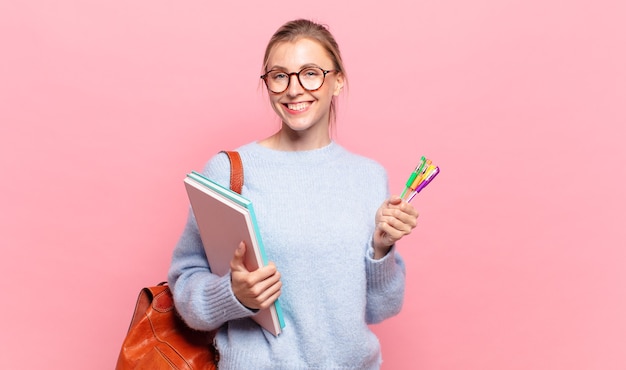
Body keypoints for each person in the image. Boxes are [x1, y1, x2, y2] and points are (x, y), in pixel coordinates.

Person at [168, 18, 418, 369]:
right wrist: (233, 296)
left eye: (311, 73)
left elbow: (381, 307)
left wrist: (381, 248)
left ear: (338, 81)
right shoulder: (227, 172)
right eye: (279, 75)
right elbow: (186, 285)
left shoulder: (369, 177)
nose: (294, 89)